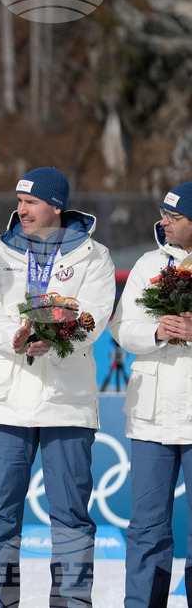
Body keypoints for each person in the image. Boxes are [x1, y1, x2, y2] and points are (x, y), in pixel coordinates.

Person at [0, 167, 116, 607]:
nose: (21, 209)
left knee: (70, 516)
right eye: (18, 200)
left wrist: (49, 338)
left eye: (31, 202)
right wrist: (12, 337)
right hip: (6, 398)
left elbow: (93, 315)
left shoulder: (94, 256)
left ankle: (70, 603)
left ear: (56, 205)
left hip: (65, 402)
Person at [109, 181, 192, 607]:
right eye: (165, 213)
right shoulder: (147, 264)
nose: (163, 222)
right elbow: (122, 328)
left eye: (174, 217)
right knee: (146, 527)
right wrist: (158, 331)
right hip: (151, 417)